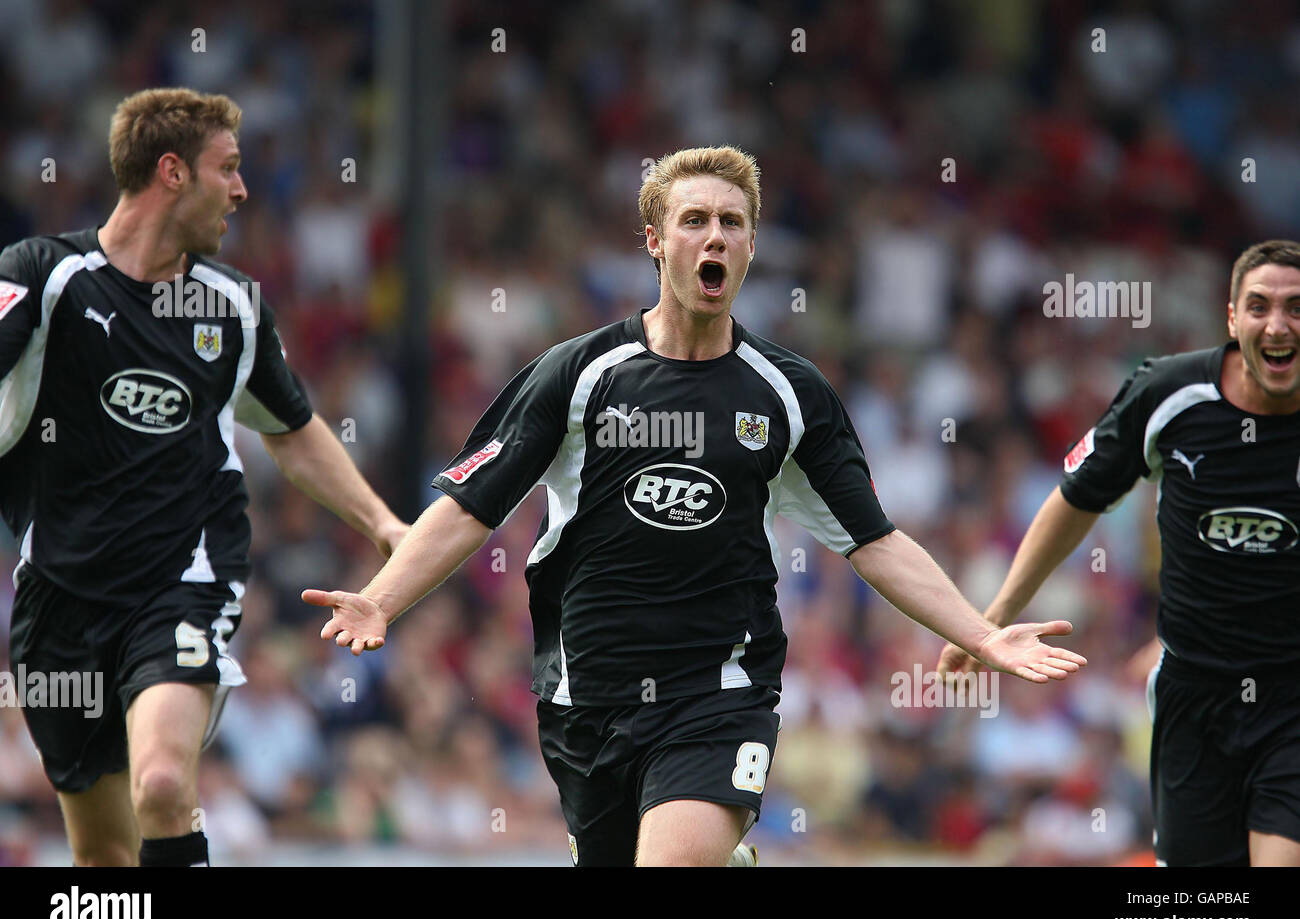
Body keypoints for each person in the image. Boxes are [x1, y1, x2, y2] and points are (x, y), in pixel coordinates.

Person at [304, 146, 1085, 867]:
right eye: (695, 221)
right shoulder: (576, 375)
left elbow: (875, 541)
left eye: (732, 223)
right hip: (589, 698)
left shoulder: (787, 394)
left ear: (750, 246)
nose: (715, 237)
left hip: (720, 689)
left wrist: (982, 633)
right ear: (654, 240)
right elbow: (471, 507)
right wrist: (381, 600)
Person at [0, 88, 408, 866]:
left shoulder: (232, 308)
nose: (243, 190)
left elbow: (292, 432)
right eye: (229, 169)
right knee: (103, 861)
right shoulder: (46, 277)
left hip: (181, 584)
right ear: (172, 173)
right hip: (56, 596)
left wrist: (385, 526)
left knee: (159, 784)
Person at [938, 239, 1300, 867]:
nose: (1278, 324)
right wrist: (992, 617)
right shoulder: (1168, 395)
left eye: (1296, 308)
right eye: (1260, 306)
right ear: (1232, 318)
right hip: (1194, 694)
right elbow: (1075, 502)